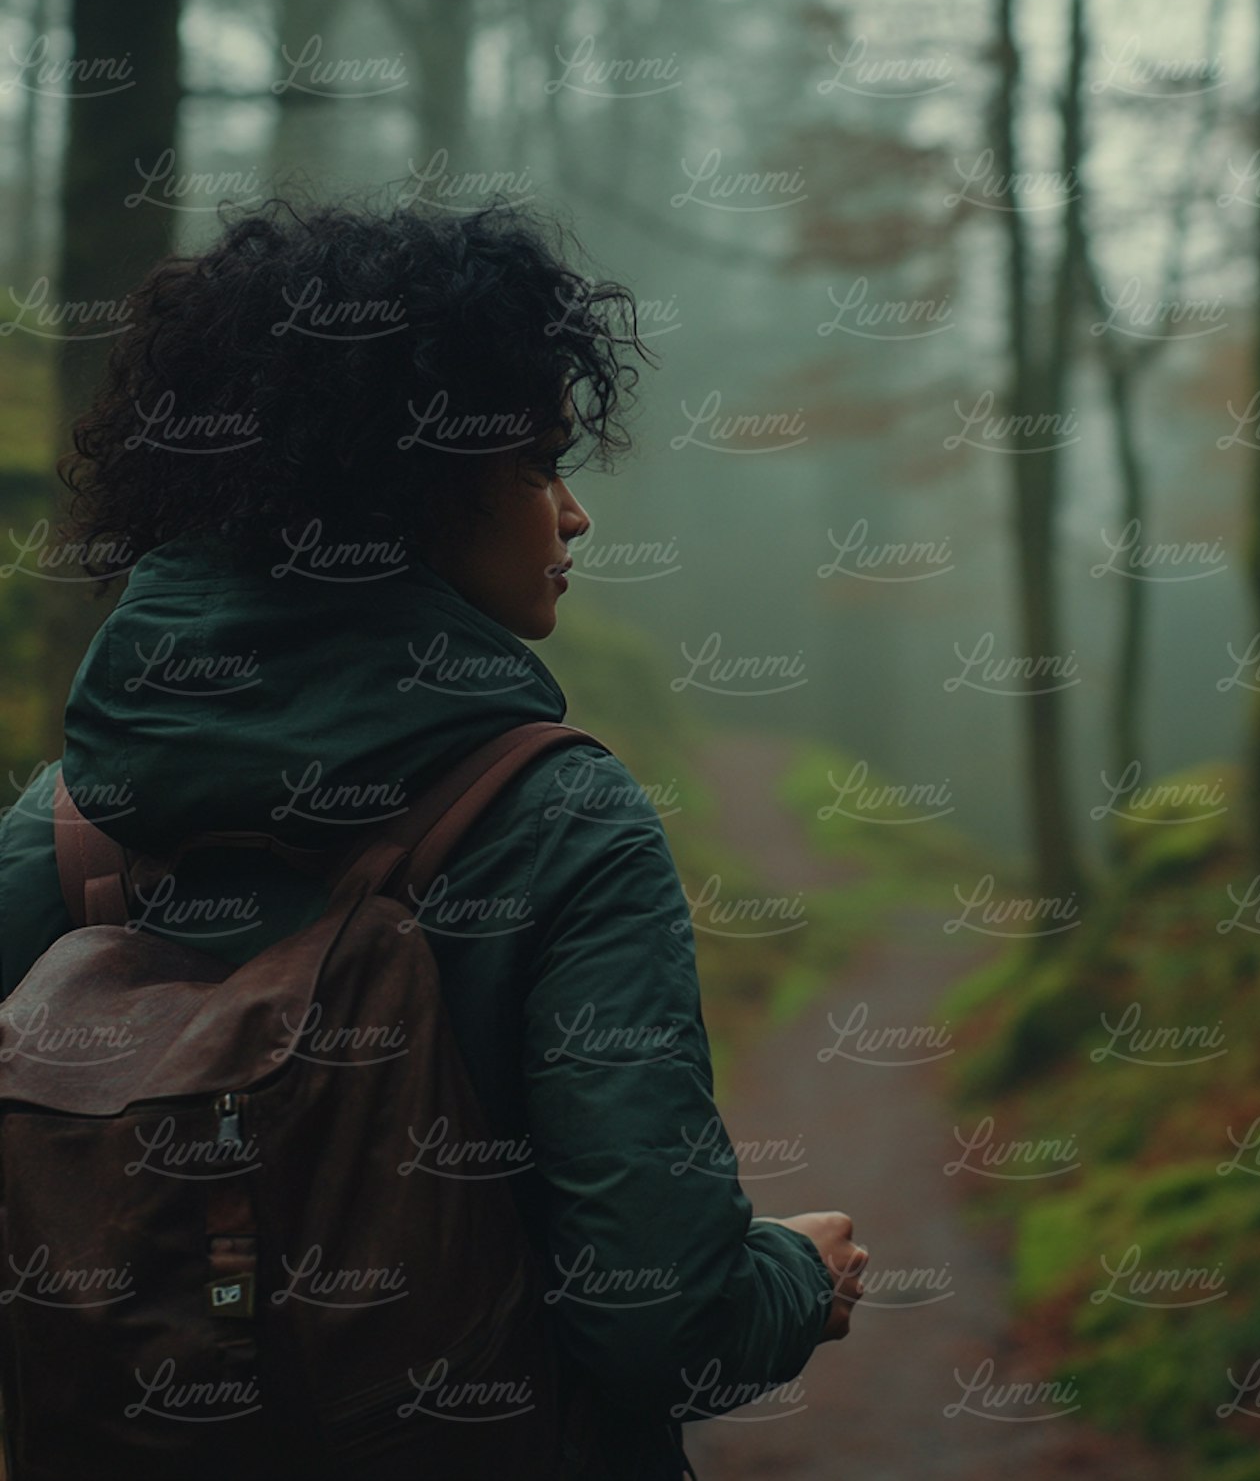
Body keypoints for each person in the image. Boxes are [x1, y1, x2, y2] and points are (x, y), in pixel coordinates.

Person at [0, 196, 867, 1479]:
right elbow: (656, 1323)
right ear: (407, 487)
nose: (574, 517)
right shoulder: (563, 825)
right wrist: (796, 1272)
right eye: (535, 466)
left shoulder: (61, 832)